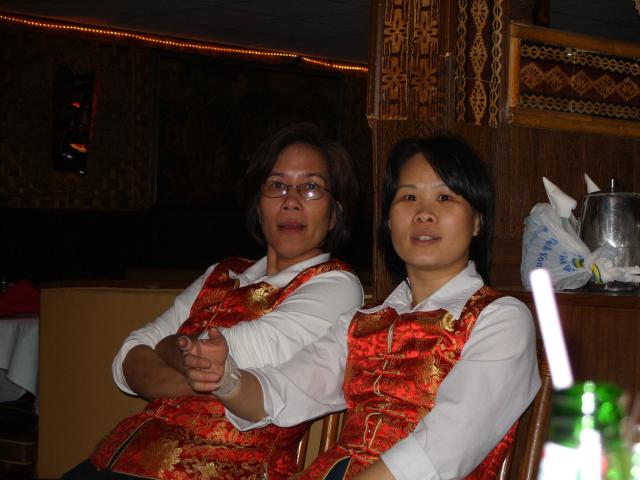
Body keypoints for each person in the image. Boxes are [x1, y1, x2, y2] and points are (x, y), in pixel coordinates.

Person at [185, 135, 541, 480]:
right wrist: (225, 378)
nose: (424, 214)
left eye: (445, 197)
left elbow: (446, 447)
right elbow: (287, 389)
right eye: (409, 197)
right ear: (388, 221)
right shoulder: (362, 323)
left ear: (477, 220)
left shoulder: (501, 319)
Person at [62, 123, 364, 480]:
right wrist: (199, 376)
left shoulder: (337, 285)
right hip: (112, 461)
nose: (291, 201)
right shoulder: (223, 272)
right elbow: (128, 358)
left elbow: (232, 355)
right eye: (276, 185)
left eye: (311, 187)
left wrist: (168, 348)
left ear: (335, 213)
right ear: (259, 206)